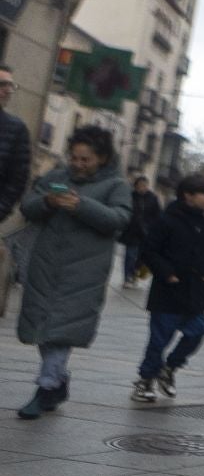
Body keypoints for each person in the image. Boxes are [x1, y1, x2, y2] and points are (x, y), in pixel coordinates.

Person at [15, 126, 132, 417]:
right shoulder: (55, 178)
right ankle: (57, 382)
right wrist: (47, 202)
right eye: (75, 158)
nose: (78, 164)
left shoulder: (116, 185)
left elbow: (119, 219)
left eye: (86, 159)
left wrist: (81, 205)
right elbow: (28, 207)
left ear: (102, 159)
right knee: (43, 328)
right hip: (45, 265)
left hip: (84, 272)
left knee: (60, 332)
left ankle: (44, 387)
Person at [132, 174, 204, 402]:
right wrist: (167, 273)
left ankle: (169, 368)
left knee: (198, 331)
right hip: (167, 293)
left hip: (194, 294)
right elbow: (149, 250)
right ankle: (145, 381)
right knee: (159, 340)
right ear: (188, 196)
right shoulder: (167, 221)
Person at [0, 65, 30, 225]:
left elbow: (17, 181)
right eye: (1, 84)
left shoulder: (16, 129)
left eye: (10, 85)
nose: (7, 90)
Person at [119, 175, 162, 286]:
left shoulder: (153, 198)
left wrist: (154, 228)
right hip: (132, 231)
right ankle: (127, 277)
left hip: (147, 233)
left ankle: (135, 274)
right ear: (136, 186)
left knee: (141, 257)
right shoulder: (130, 197)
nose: (142, 188)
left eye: (145, 185)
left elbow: (158, 215)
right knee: (130, 255)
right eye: (140, 186)